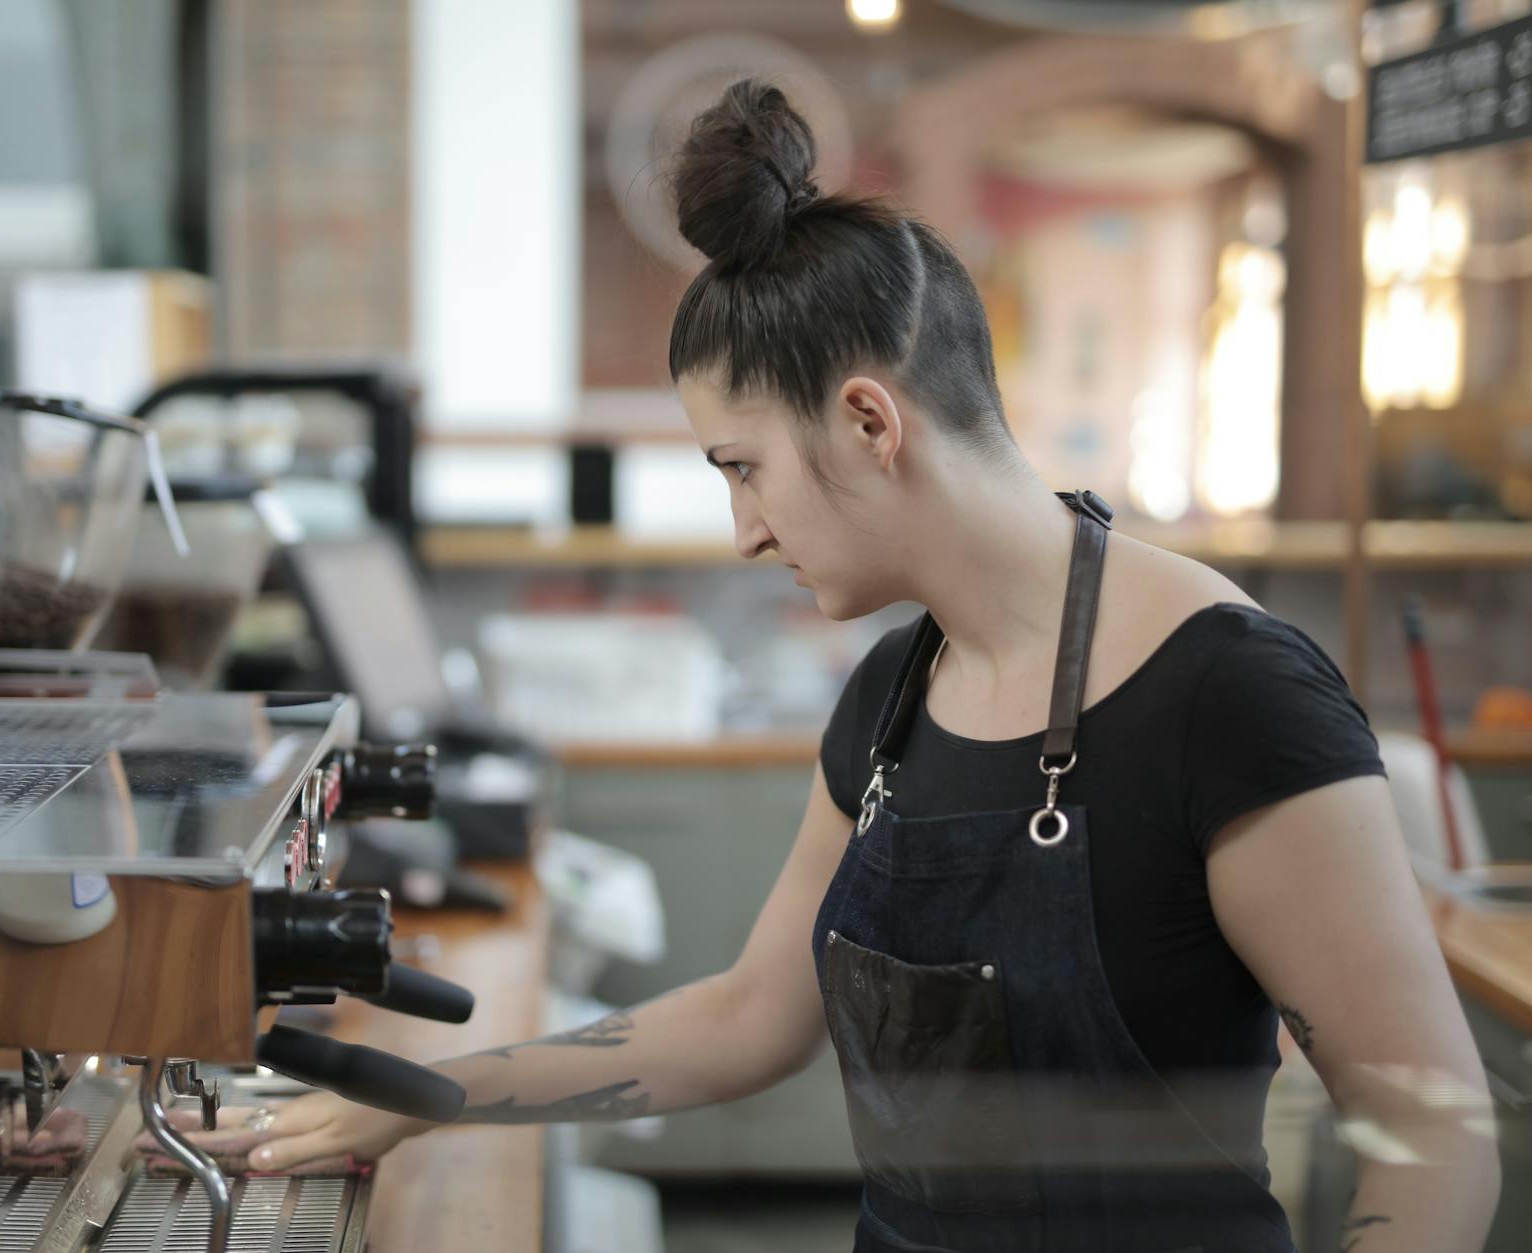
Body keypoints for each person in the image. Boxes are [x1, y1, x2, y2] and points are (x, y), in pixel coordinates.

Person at [171, 81, 1500, 1250]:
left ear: (869, 419)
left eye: (743, 468)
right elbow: (751, 1014)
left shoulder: (1233, 700)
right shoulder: (890, 705)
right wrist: (431, 1094)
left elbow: (1435, 1132)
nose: (745, 528)